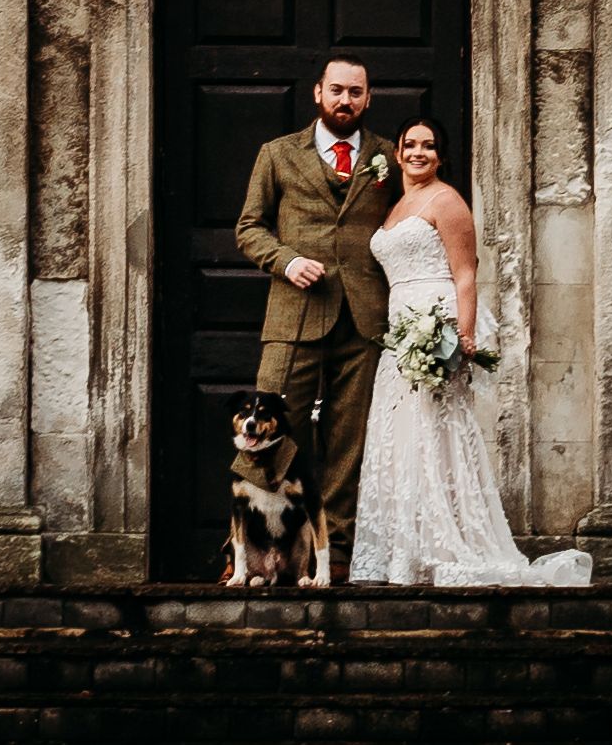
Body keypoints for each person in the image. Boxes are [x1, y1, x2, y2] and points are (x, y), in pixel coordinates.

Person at [347, 119, 593, 589]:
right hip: (400, 330)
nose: (419, 152)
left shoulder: (447, 200)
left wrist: (461, 334)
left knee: (436, 436)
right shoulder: (396, 205)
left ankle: (446, 546)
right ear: (397, 153)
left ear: (441, 156)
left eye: (430, 146)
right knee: (400, 436)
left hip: (434, 324)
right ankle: (404, 554)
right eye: (411, 145)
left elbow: (465, 273)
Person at [227, 56, 395, 582]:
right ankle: (246, 551)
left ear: (368, 99)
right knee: (264, 437)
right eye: (338, 90)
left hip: (364, 317)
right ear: (319, 93)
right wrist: (287, 260)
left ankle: (334, 552)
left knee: (349, 440)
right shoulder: (277, 155)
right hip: (293, 316)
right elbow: (249, 227)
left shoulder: (387, 156)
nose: (347, 100)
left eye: (357, 93)